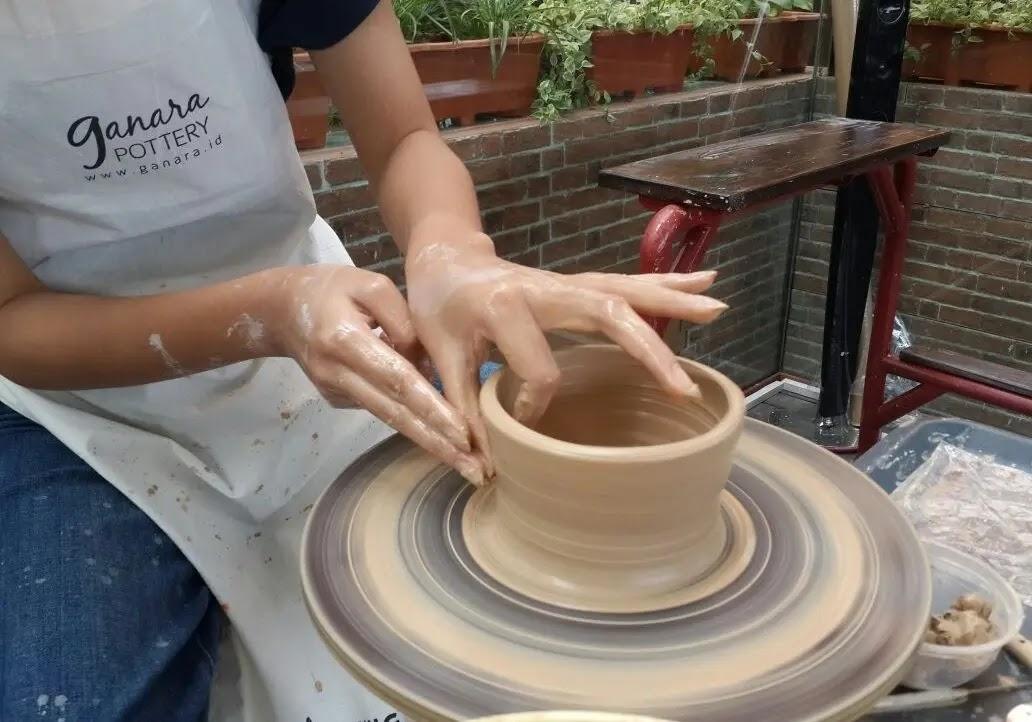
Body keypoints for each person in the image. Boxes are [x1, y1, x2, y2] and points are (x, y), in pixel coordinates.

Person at [0, 1, 727, 720]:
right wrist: (272, 315)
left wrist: (451, 253)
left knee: (543, 590)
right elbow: (12, 319)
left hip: (309, 320)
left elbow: (407, 135)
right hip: (70, 394)